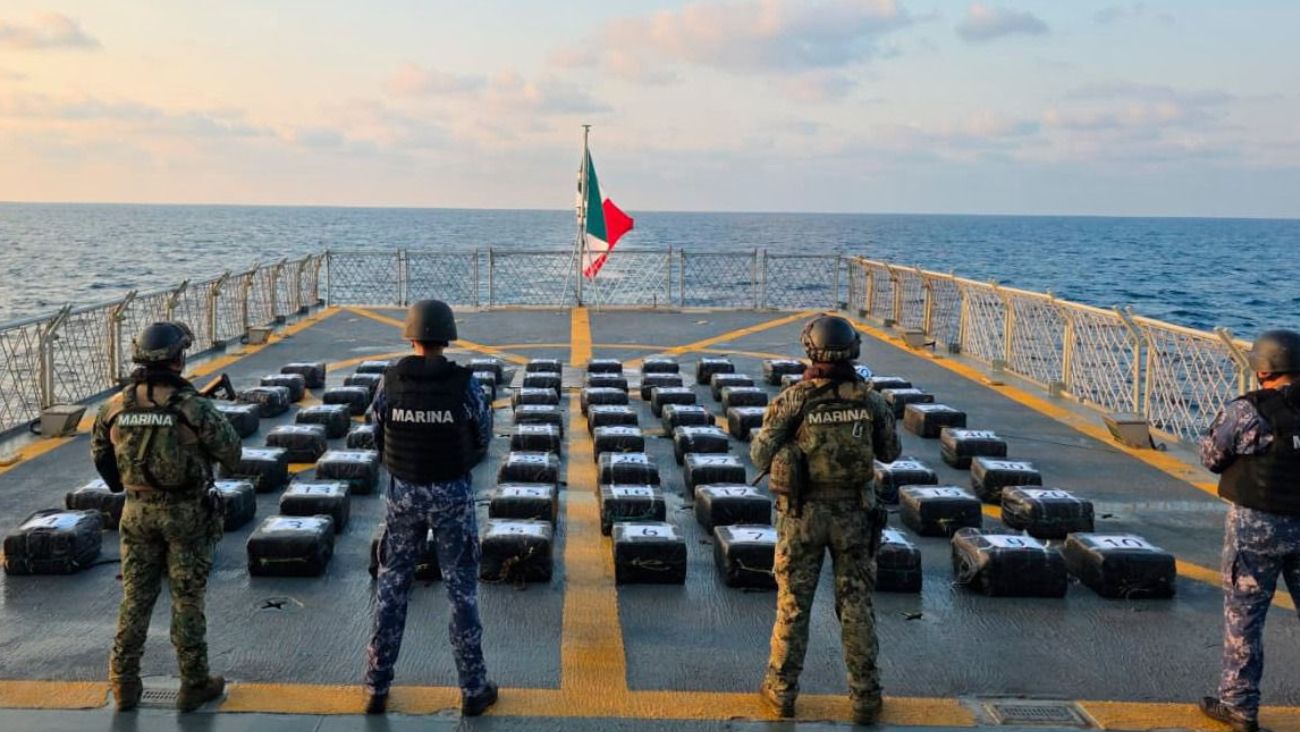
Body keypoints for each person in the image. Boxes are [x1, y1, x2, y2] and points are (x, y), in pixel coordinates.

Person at [751, 314, 900, 726]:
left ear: (810, 350)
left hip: (802, 518)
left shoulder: (794, 399)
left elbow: (760, 456)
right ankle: (866, 697)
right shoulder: (870, 401)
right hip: (855, 515)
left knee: (793, 606)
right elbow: (891, 452)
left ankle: (782, 692)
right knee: (856, 606)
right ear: (852, 351)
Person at [90, 321, 242, 712]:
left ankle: (124, 683)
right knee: (187, 599)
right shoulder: (193, 407)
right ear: (178, 359)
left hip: (137, 512)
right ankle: (193, 683)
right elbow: (232, 454)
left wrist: (126, 485)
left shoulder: (114, 407)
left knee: (135, 599)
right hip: (186, 514)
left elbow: (102, 460)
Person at [363, 299, 496, 716]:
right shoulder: (464, 384)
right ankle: (473, 688)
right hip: (452, 494)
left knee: (392, 587)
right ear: (447, 336)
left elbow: (375, 432)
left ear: (412, 335)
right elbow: (483, 434)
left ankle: (377, 685)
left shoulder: (390, 381)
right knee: (461, 590)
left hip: (404, 493)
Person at [1199, 329, 1300, 732]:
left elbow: (1211, 455)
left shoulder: (1246, 412)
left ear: (1263, 370)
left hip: (1257, 529)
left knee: (1245, 618)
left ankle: (1239, 706)